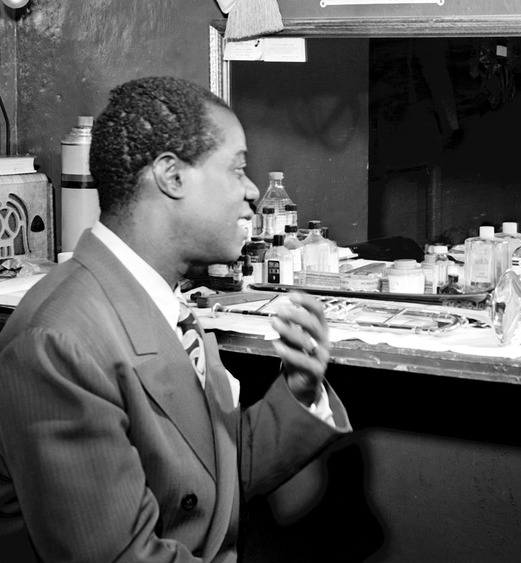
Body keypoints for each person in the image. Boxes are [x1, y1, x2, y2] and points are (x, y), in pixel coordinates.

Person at [0, 76, 351, 562]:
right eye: (237, 168)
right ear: (172, 176)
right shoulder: (57, 344)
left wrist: (301, 390)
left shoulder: (162, 303)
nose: (251, 191)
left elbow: (210, 477)